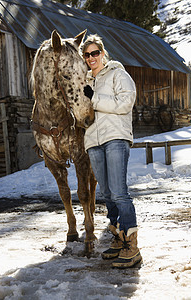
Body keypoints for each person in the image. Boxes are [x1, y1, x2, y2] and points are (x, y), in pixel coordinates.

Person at [82, 34, 142, 268]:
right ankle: (118, 239)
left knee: (119, 192)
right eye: (87, 55)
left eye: (95, 53)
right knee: (106, 193)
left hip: (115, 137)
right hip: (93, 141)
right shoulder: (85, 81)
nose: (91, 58)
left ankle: (132, 246)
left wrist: (95, 98)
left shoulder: (118, 74)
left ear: (103, 53)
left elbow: (126, 103)